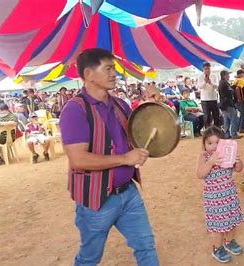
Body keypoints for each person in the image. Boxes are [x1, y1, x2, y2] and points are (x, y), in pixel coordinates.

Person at [59, 48, 159, 265]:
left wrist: (153, 104)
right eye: (108, 68)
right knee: (89, 258)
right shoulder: (75, 110)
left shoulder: (119, 105)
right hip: (96, 200)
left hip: (128, 193)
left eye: (114, 68)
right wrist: (125, 159)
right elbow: (78, 159)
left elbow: (141, 132)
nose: (115, 73)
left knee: (146, 247)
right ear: (88, 74)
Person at [196, 126, 244, 263]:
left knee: (231, 222)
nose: (213, 146)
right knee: (218, 227)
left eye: (217, 142)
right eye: (209, 143)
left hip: (229, 196)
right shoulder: (203, 156)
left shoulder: (228, 155)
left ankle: (229, 242)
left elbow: (239, 169)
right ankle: (217, 248)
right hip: (214, 199)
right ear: (204, 145)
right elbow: (200, 174)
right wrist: (211, 162)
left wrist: (237, 161)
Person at [219, 70, 241, 139]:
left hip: (224, 104)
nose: (228, 76)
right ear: (224, 75)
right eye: (227, 74)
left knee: (226, 119)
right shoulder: (224, 83)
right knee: (234, 118)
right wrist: (233, 87)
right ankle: (233, 133)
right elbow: (230, 92)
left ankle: (227, 134)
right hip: (228, 103)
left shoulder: (221, 82)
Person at [198, 62, 221, 127]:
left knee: (216, 115)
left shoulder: (214, 76)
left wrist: (210, 82)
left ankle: (217, 130)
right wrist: (205, 82)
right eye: (205, 69)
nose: (207, 70)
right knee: (207, 117)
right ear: (203, 69)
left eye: (208, 68)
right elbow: (199, 86)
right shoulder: (200, 76)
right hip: (204, 99)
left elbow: (217, 86)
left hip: (213, 98)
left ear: (210, 68)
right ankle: (208, 131)